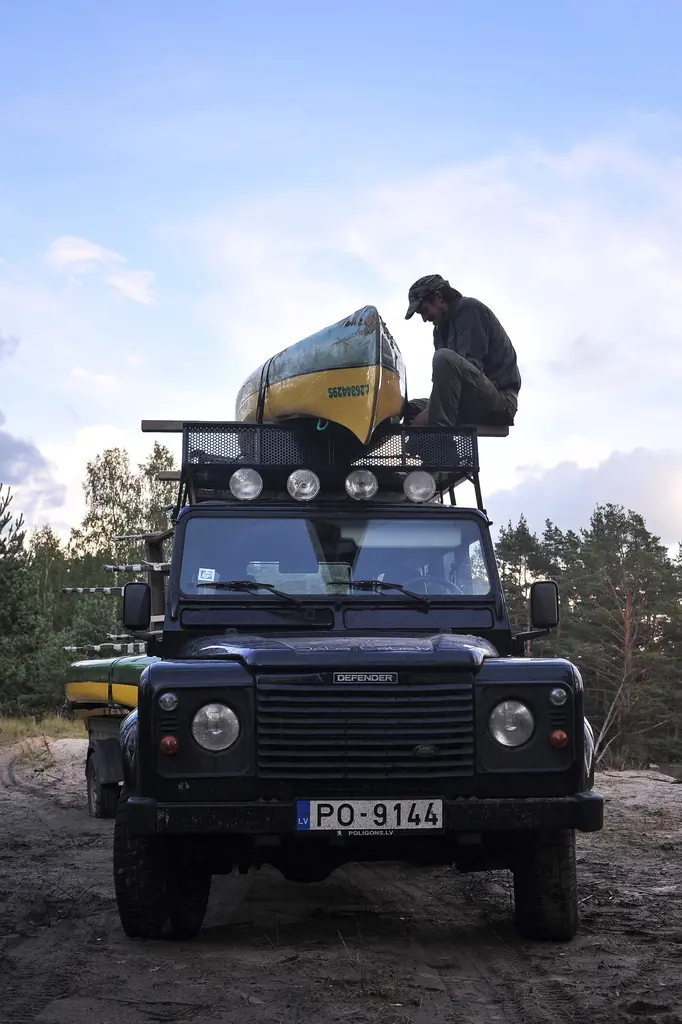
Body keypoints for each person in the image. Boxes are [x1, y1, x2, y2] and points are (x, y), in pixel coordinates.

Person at [403, 274, 521, 429]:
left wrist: (430, 413)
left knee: (443, 358)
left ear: (439, 297)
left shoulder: (469, 309)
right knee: (410, 409)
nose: (425, 318)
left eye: (425, 310)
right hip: (468, 398)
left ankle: (442, 443)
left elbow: (470, 366)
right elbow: (443, 382)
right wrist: (425, 411)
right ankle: (418, 446)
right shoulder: (439, 331)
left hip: (500, 400)